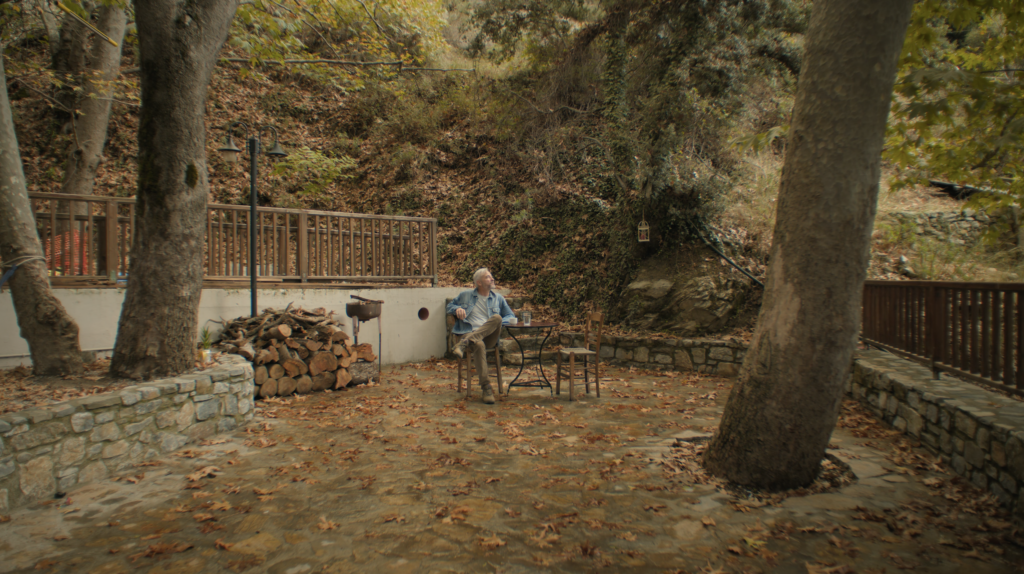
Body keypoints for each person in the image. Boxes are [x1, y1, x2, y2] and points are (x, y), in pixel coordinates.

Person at [446, 268, 517, 404]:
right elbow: (449, 306)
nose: (492, 279)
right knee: (478, 343)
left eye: (491, 276)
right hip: (469, 332)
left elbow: (510, 316)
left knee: (497, 317)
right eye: (488, 277)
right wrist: (457, 309)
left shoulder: (498, 298)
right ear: (479, 282)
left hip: (489, 336)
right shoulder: (465, 295)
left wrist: (499, 323)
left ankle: (463, 343)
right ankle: (486, 388)